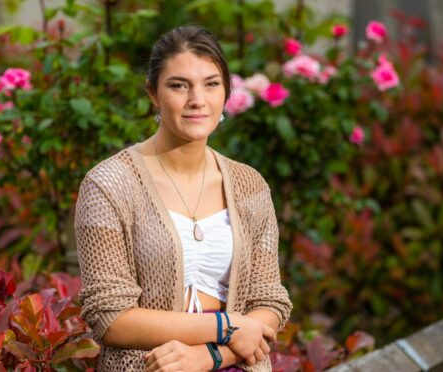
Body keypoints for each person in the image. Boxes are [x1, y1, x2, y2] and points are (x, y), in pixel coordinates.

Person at [74, 25, 292, 371]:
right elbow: (110, 316)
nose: (197, 100)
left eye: (211, 84)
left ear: (226, 92)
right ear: (153, 94)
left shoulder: (250, 186)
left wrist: (208, 356)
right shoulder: (109, 185)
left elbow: (268, 301)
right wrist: (224, 327)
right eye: (179, 85)